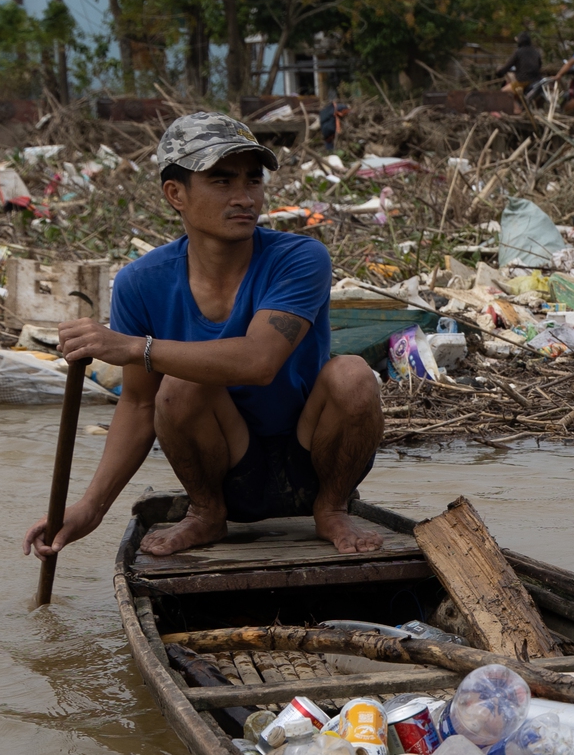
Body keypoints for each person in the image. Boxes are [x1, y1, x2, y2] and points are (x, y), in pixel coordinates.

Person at [22, 111, 385, 565]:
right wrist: (90, 509)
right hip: (228, 468)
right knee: (177, 385)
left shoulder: (300, 257)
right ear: (176, 194)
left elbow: (259, 362)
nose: (244, 197)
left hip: (312, 459)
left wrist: (135, 347)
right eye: (221, 182)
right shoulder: (141, 282)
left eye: (253, 181)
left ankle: (330, 509)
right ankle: (206, 512)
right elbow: (137, 405)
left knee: (352, 373)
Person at [501, 31, 543, 104]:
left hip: (523, 80)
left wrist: (499, 72)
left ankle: (517, 109)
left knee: (503, 92)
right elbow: (539, 65)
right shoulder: (536, 51)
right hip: (537, 80)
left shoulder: (518, 52)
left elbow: (508, 66)